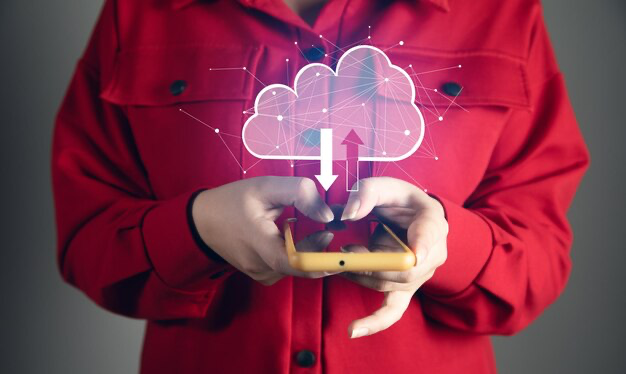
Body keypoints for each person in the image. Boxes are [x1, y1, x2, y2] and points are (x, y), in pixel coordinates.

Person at [52, 0, 589, 373]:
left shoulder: (503, 14)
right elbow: (87, 242)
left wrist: (450, 246)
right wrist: (197, 229)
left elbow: (540, 256)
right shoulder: (140, 11)